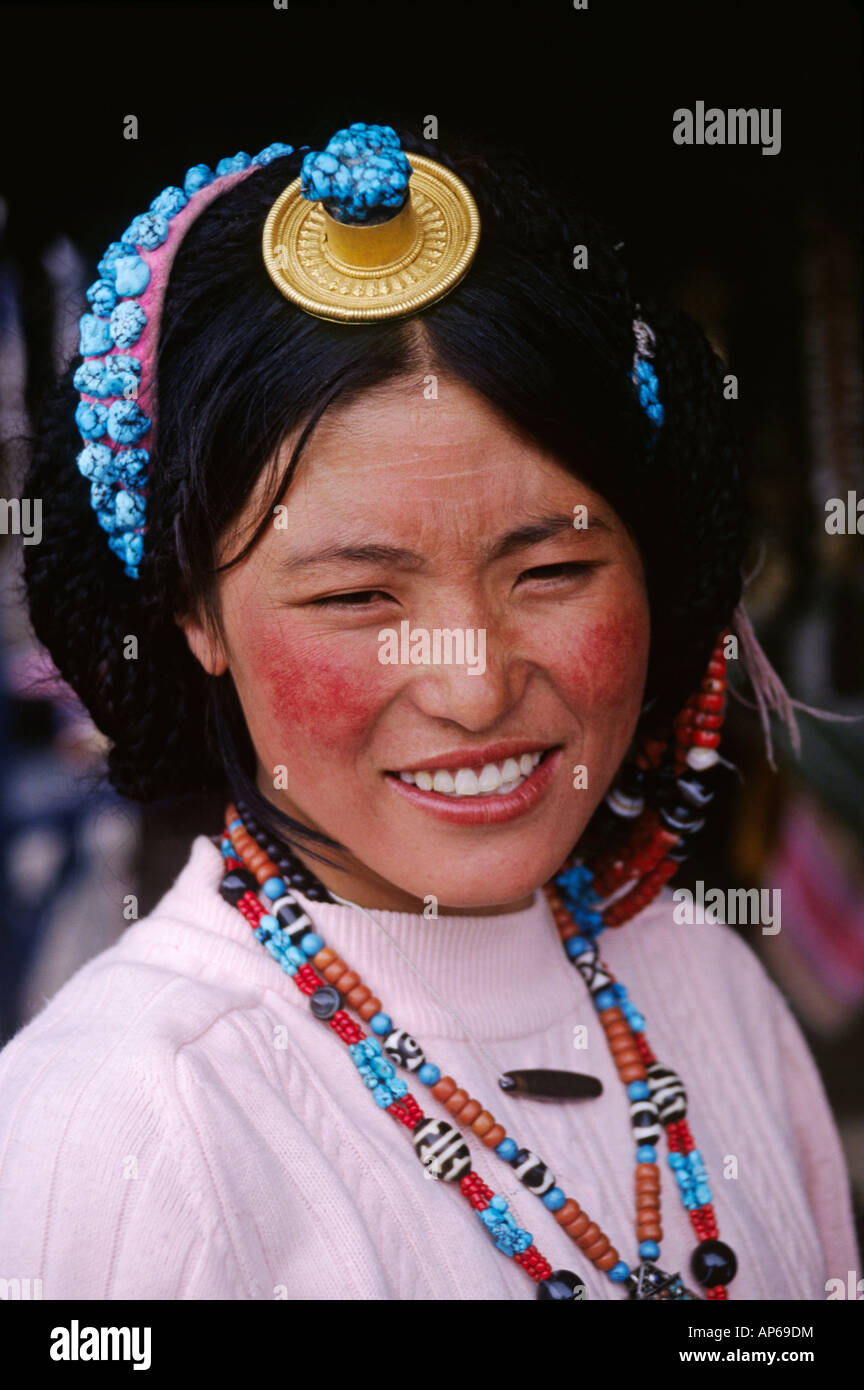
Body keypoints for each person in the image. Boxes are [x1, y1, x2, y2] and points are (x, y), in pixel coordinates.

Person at [0, 122, 857, 1301]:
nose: (476, 685)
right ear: (192, 611)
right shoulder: (120, 1130)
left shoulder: (709, 984)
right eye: (358, 595)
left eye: (551, 572)